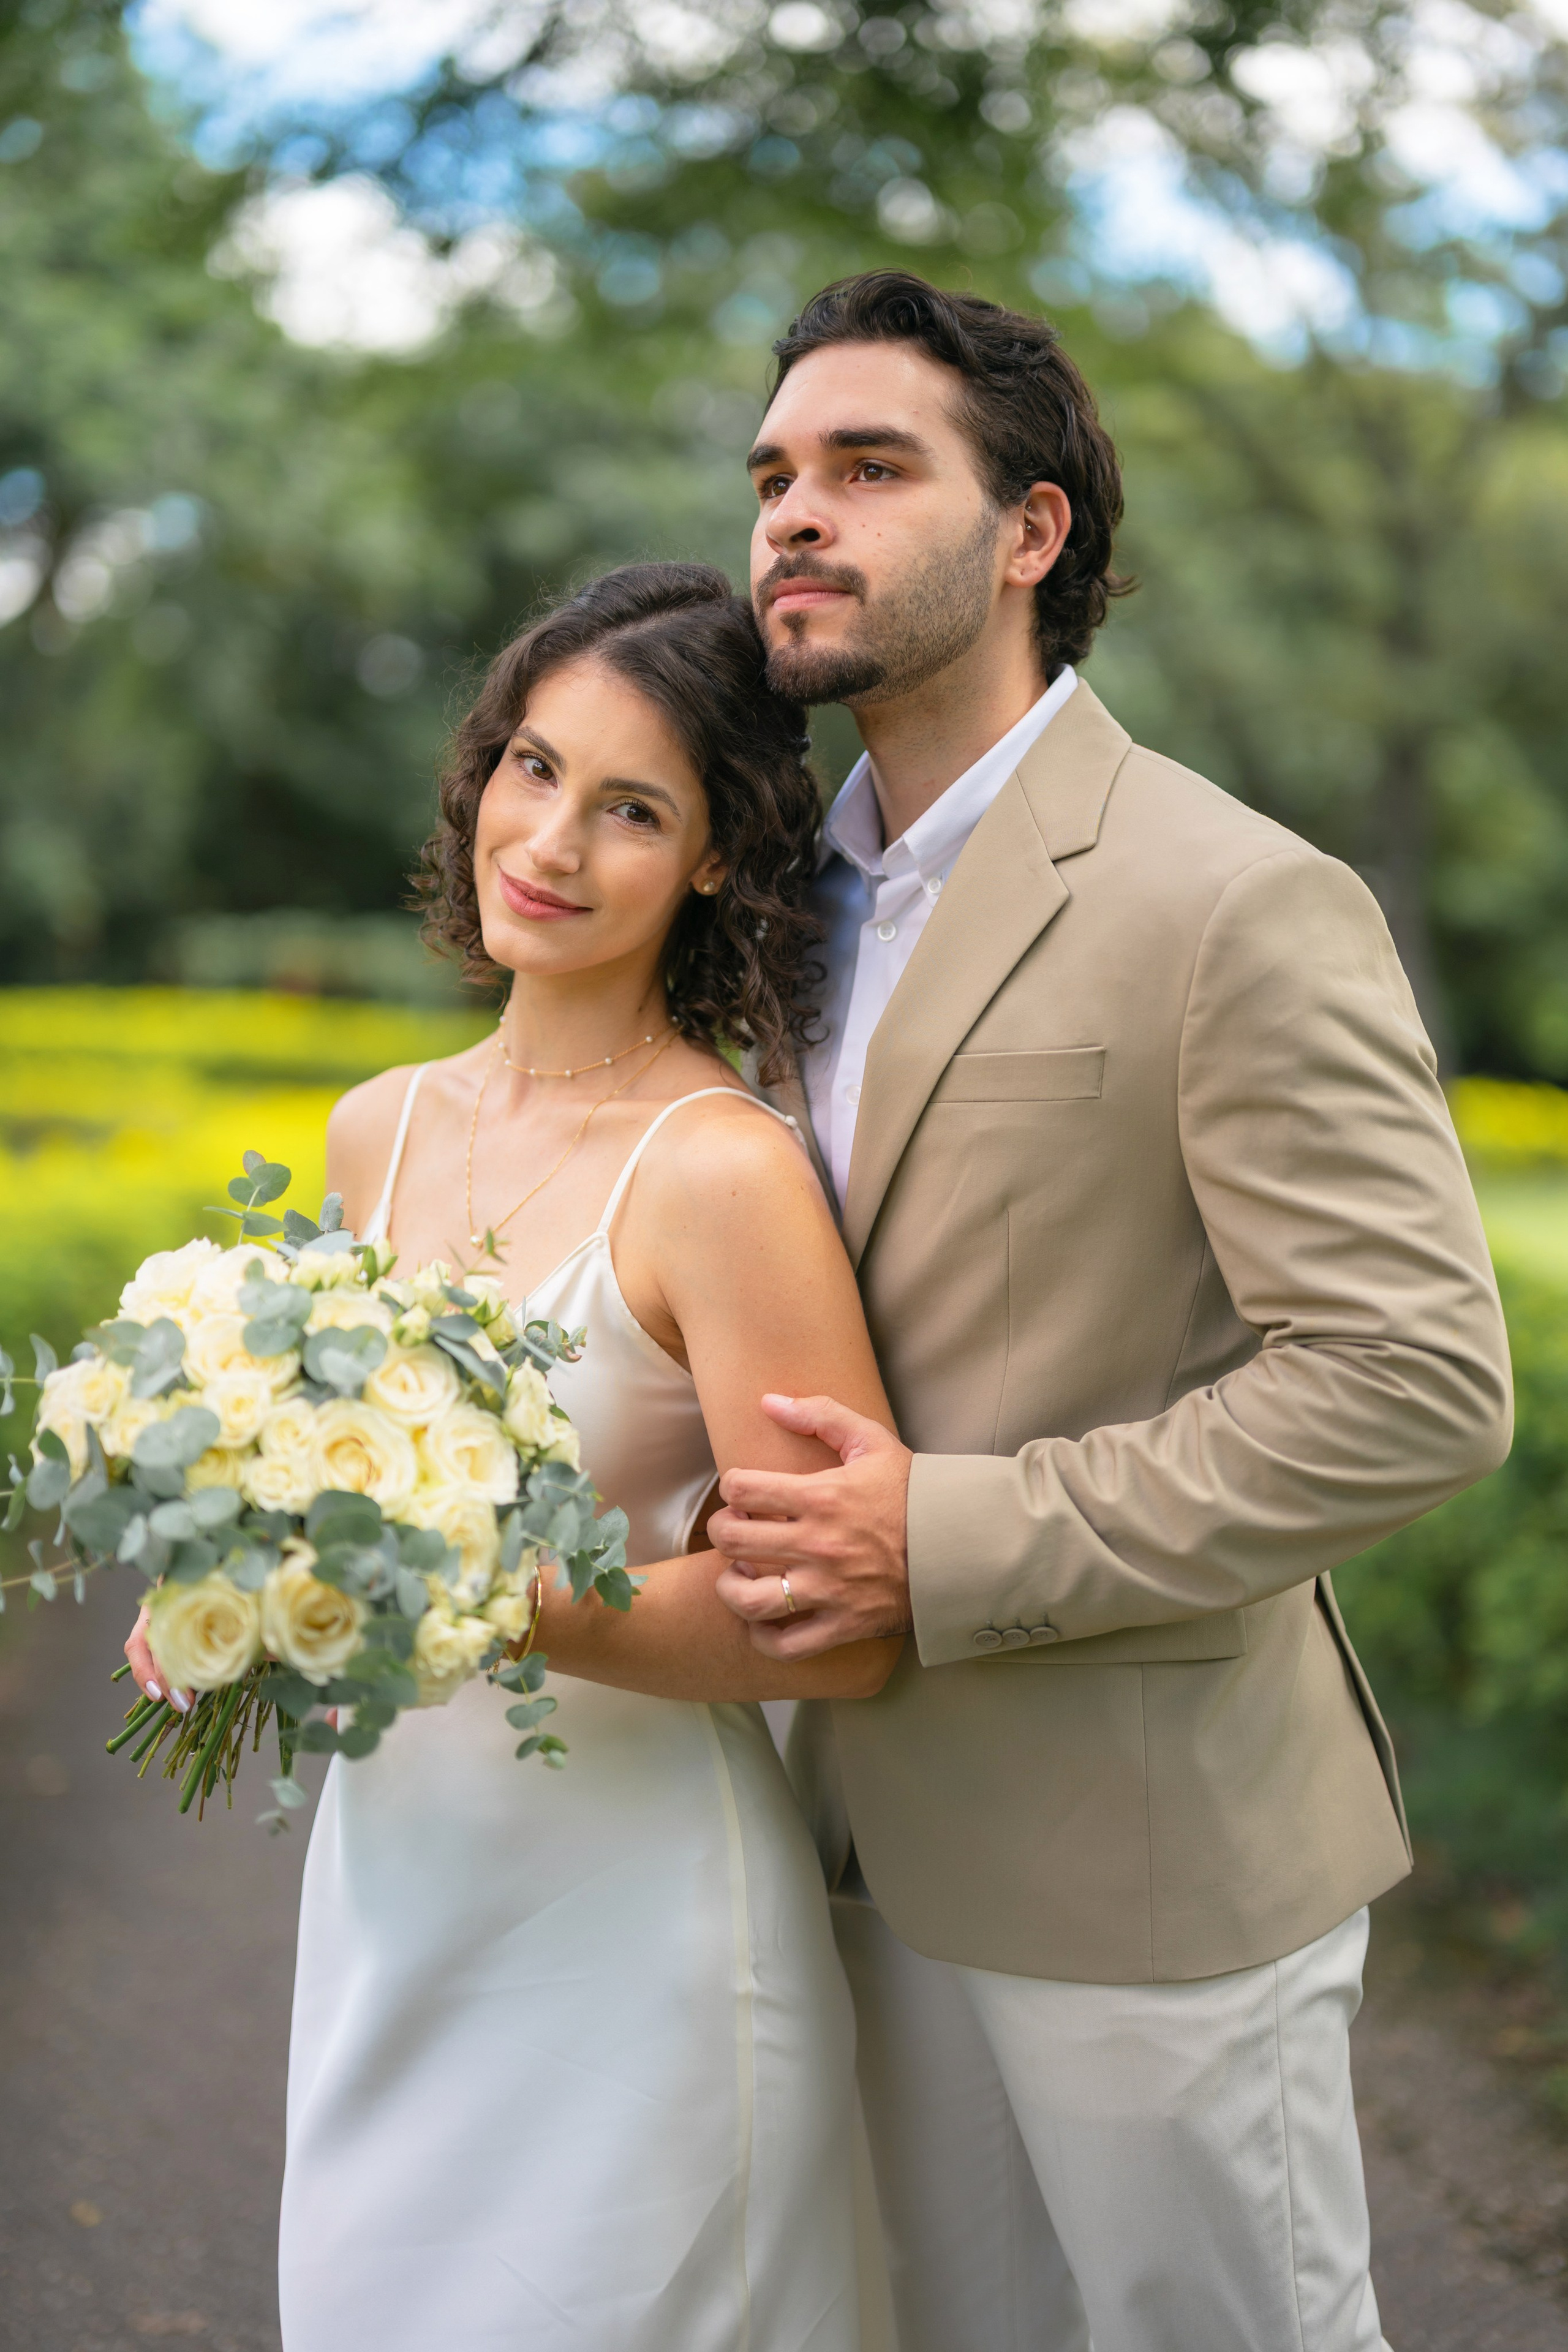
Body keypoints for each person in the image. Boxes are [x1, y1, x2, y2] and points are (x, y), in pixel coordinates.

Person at [703, 273, 1515, 2351]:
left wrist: (944, 1540)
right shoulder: (771, 913)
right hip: (816, 1840)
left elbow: (1412, 1385)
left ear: (1033, 533)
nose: (796, 514)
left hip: (1147, 1871)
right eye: (778, 474)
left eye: (870, 470)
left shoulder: (1233, 896)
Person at [126, 562, 901, 2352]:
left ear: (714, 857)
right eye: (532, 768)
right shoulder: (373, 1132)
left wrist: (521, 1605)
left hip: (637, 1934)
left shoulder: (723, 1174)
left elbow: (845, 1626)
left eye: (633, 808)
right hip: (397, 1884)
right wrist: (234, 1580)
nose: (549, 840)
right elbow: (328, 1479)